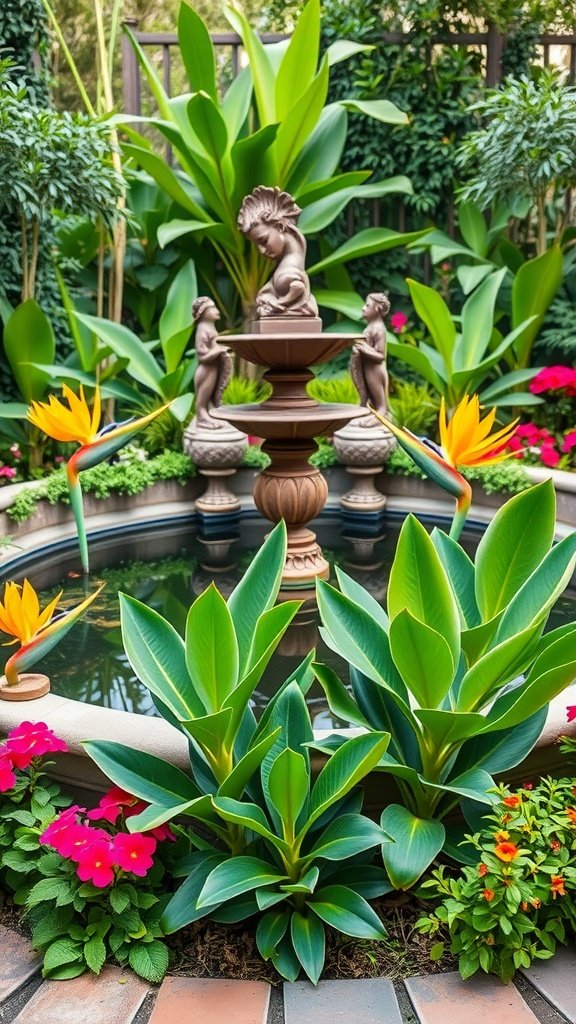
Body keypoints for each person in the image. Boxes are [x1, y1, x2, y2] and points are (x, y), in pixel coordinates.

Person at [237, 186, 318, 319]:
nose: (261, 251)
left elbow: (297, 287)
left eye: (263, 241)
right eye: (257, 245)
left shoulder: (287, 274)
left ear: (280, 226)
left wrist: (278, 304)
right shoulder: (286, 270)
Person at [192, 296, 232, 429]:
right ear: (203, 312)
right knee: (202, 401)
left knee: (210, 399)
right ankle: (202, 418)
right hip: (206, 370)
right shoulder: (202, 329)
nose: (217, 311)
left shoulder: (209, 327)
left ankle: (212, 413)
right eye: (213, 307)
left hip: (212, 369)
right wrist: (219, 350)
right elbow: (202, 356)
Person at [350, 293, 391, 424]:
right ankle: (368, 410)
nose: (363, 308)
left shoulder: (379, 329)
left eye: (367, 305)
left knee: (380, 403)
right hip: (368, 369)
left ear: (377, 309)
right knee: (370, 399)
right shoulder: (371, 327)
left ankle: (380, 415)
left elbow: (380, 356)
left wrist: (363, 348)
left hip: (375, 371)